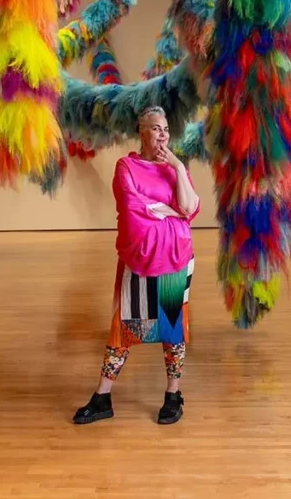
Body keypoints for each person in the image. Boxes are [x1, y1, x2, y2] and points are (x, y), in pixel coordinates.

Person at [73, 106, 200, 425]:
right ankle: (102, 397)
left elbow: (189, 207)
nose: (163, 135)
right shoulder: (126, 167)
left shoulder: (174, 169)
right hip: (140, 261)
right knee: (123, 330)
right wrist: (172, 214)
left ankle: (173, 394)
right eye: (156, 128)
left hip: (175, 260)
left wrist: (179, 167)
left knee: (173, 331)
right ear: (141, 131)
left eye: (167, 129)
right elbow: (133, 212)